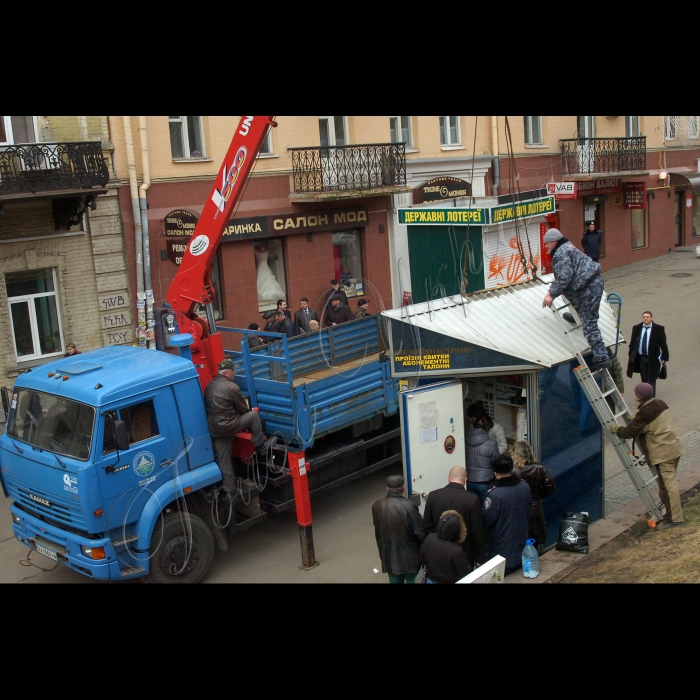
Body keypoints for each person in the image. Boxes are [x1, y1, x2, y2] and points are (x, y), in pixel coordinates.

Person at [609, 383, 684, 529]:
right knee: (665, 486)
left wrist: (615, 428)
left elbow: (628, 433)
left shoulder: (644, 415)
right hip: (674, 449)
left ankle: (675, 519)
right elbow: (649, 421)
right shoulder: (660, 404)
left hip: (664, 454)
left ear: (639, 397)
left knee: (668, 488)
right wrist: (636, 418)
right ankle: (671, 514)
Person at [541, 228, 611, 371]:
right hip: (591, 284)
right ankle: (576, 315)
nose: (546, 246)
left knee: (589, 325)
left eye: (547, 243)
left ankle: (602, 358)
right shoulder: (568, 247)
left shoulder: (561, 254)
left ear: (554, 242)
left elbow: (564, 277)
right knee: (579, 306)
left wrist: (551, 294)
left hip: (588, 288)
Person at [203, 358, 275, 495]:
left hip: (215, 429)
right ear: (227, 372)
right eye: (233, 371)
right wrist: (252, 411)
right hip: (229, 425)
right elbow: (243, 410)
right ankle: (261, 446)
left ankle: (231, 490)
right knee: (253, 416)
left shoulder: (210, 385)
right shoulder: (232, 387)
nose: (234, 373)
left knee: (224, 461)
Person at [422, 466, 485, 569]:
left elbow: (427, 526)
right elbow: (477, 531)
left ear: (448, 478)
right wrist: (480, 558)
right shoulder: (472, 500)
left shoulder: (433, 496)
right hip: (464, 554)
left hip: (437, 552)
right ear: (465, 480)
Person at [481, 453, 532, 577]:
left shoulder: (495, 494)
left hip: (502, 547)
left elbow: (487, 520)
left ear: (495, 473)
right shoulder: (525, 486)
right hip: (521, 542)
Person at [371, 474, 426, 583]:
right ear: (403, 488)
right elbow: (420, 532)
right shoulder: (409, 505)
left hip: (388, 553)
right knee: (413, 580)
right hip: (410, 555)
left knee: (394, 579)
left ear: (387, 489)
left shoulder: (377, 505)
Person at [510, 441, 556, 551]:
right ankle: (532, 563)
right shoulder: (539, 468)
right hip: (534, 507)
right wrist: (537, 497)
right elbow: (551, 488)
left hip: (516, 508)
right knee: (533, 539)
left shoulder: (512, 471)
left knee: (518, 538)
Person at [418, 510, 472, 584]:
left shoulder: (430, 538)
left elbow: (421, 558)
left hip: (430, 579)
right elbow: (465, 572)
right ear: (457, 530)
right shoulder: (457, 551)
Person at [626, 311, 668, 397]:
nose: (645, 318)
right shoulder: (637, 328)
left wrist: (665, 357)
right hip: (641, 357)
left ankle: (651, 398)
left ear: (651, 318)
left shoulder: (658, 329)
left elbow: (663, 344)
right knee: (644, 379)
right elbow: (633, 342)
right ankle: (645, 396)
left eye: (647, 317)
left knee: (652, 378)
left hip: (653, 358)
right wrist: (631, 355)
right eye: (644, 317)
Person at [465, 414, 500, 506]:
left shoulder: (464, 440)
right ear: (487, 428)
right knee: (487, 508)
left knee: (473, 509)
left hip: (469, 480)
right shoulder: (492, 443)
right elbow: (496, 462)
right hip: (486, 481)